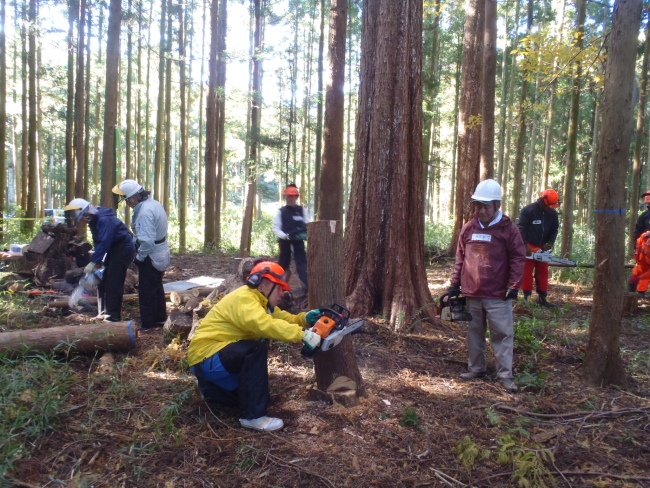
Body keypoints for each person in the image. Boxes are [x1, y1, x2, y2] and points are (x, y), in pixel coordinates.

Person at [187, 260, 323, 431]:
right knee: (254, 350)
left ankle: (211, 391)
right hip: (207, 355)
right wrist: (302, 335)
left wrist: (303, 319)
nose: (283, 292)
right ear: (264, 284)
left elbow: (281, 318)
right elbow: (264, 324)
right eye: (279, 287)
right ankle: (253, 417)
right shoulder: (245, 299)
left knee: (250, 396)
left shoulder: (262, 303)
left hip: (212, 359)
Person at [447, 179, 526, 393]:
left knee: (502, 333)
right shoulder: (468, 228)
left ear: (497, 206)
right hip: (472, 292)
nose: (481, 210)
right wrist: (455, 283)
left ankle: (504, 375)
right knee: (474, 332)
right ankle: (476, 368)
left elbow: (519, 258)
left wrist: (514, 285)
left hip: (498, 294)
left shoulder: (508, 229)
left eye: (486, 206)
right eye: (477, 205)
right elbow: (460, 257)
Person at [64, 198, 136, 322]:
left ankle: (112, 316)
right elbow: (99, 243)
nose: (81, 221)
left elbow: (104, 242)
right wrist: (97, 265)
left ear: (86, 213)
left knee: (113, 281)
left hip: (123, 249)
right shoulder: (93, 220)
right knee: (100, 279)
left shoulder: (104, 219)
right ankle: (102, 312)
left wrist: (94, 262)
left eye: (81, 218)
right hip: (111, 249)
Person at [112, 179, 170, 330]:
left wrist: (139, 258)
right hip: (161, 250)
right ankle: (160, 318)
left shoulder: (144, 212)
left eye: (126, 199)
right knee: (157, 285)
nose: (126, 203)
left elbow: (147, 242)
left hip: (151, 254)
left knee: (146, 289)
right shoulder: (153, 204)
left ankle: (149, 323)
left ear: (132, 198)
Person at [516, 189, 560, 307]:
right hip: (529, 244)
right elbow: (521, 228)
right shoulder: (528, 211)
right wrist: (524, 245)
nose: (550, 207)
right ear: (542, 201)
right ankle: (527, 296)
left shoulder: (552, 214)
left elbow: (554, 229)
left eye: (553, 205)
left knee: (543, 270)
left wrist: (550, 243)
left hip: (543, 246)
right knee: (527, 271)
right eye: (549, 205)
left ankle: (543, 297)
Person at [272, 184, 309, 292]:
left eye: (293, 196)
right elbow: (276, 228)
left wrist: (303, 233)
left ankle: (307, 288)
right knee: (283, 265)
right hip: (285, 242)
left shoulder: (302, 210)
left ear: (296, 197)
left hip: (298, 242)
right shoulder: (281, 211)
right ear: (286, 197)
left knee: (302, 264)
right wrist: (285, 236)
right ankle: (278, 289)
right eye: (289, 196)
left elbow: (307, 224)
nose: (291, 198)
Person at [629, 231, 650, 297]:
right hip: (641, 263)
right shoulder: (645, 236)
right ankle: (630, 298)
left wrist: (639, 278)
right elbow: (639, 241)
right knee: (631, 280)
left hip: (647, 270)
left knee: (642, 285)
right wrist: (637, 254)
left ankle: (641, 297)